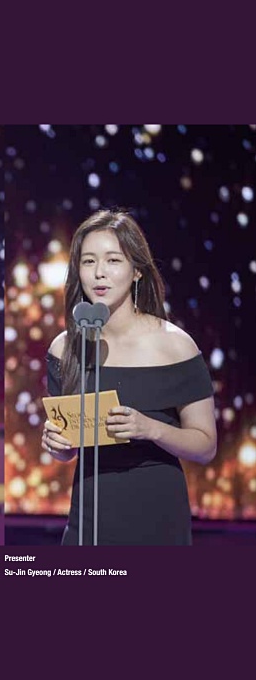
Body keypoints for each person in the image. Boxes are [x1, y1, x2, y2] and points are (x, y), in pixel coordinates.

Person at [42, 209, 217, 545]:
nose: (99, 273)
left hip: (158, 519)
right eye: (89, 261)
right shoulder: (65, 348)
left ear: (137, 270)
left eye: (113, 260)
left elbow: (206, 446)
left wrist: (150, 428)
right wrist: (57, 444)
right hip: (89, 519)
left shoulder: (175, 346)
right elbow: (68, 449)